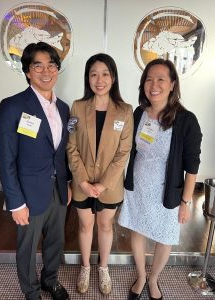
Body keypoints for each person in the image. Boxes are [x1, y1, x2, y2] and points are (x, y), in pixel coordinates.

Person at [118, 58, 202, 300]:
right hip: (138, 186)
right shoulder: (139, 113)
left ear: (173, 84)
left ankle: (153, 279)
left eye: (161, 79)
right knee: (137, 230)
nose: (153, 85)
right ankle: (141, 276)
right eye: (148, 79)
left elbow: (192, 165)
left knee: (165, 237)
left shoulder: (186, 120)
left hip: (168, 192)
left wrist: (185, 201)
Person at [0, 42, 71, 300]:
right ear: (27, 71)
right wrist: (16, 203)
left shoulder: (63, 108)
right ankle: (31, 291)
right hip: (27, 194)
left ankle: (50, 280)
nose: (45, 71)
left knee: (55, 242)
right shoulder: (12, 106)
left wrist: (67, 183)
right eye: (37, 65)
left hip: (58, 190)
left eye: (51, 65)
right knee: (27, 247)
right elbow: (6, 158)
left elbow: (61, 152)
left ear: (57, 69)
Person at [67, 53, 133, 295]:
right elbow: (71, 146)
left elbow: (123, 152)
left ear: (113, 78)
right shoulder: (77, 106)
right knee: (85, 226)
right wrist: (83, 181)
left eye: (105, 74)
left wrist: (103, 184)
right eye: (93, 74)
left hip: (111, 184)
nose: (99, 79)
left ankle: (103, 267)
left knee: (105, 226)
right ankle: (85, 267)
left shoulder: (125, 111)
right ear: (88, 78)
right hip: (81, 182)